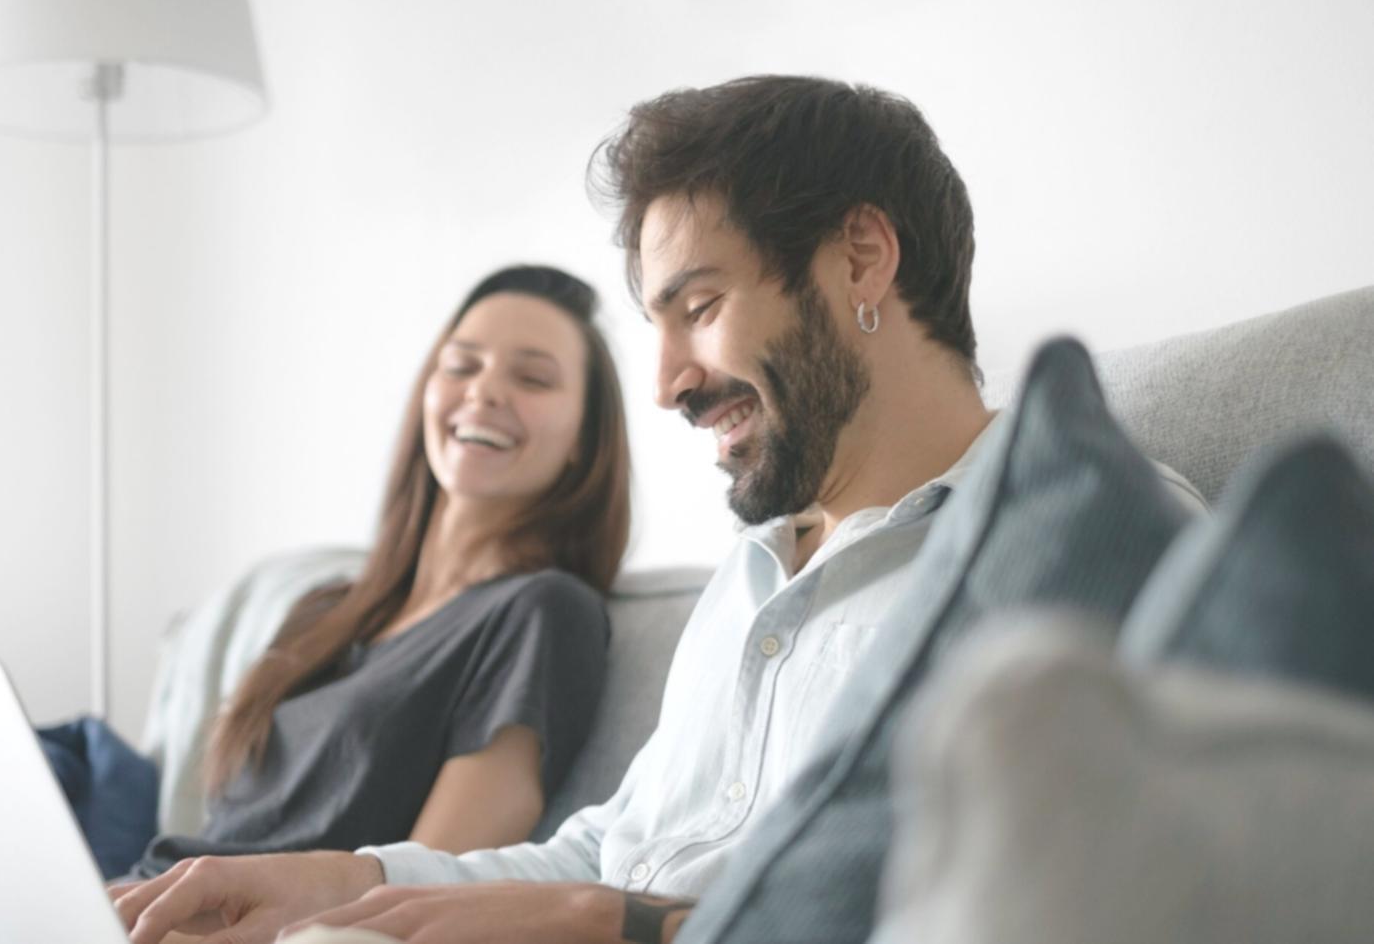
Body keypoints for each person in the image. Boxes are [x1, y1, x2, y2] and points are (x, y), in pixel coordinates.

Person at [109, 76, 1179, 944]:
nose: (666, 382)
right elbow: (604, 852)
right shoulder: (753, 575)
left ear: (862, 256)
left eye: (699, 307)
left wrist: (621, 926)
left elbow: (1041, 909)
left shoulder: (1073, 528)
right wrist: (336, 883)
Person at [134, 264, 632, 874]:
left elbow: (427, 885)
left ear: (586, 436)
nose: (484, 392)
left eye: (532, 377)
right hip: (146, 900)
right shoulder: (324, 610)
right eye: (461, 366)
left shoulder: (545, 614)